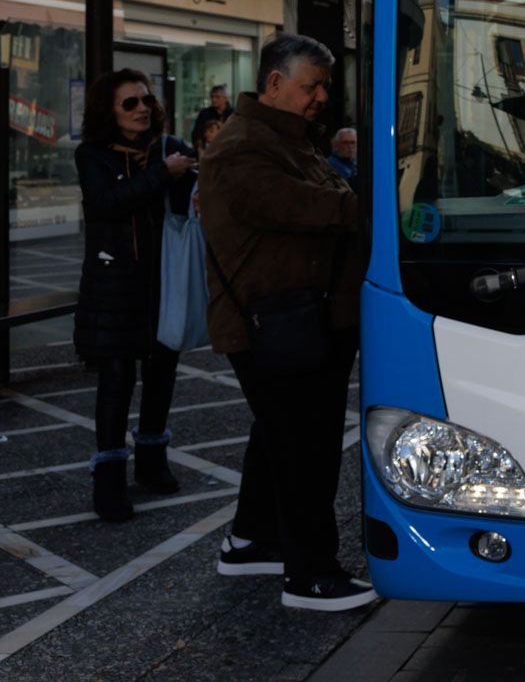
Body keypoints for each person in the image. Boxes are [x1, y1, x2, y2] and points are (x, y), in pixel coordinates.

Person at [199, 34, 373, 611]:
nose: (322, 96)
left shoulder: (287, 137)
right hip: (274, 322)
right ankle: (310, 575)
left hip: (299, 318)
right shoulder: (243, 146)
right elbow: (304, 206)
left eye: (325, 86)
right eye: (311, 85)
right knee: (305, 447)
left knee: (280, 433)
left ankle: (252, 541)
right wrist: (383, 208)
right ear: (274, 82)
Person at [74, 70, 197, 521]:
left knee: (161, 371)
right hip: (113, 282)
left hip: (163, 278)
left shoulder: (169, 147)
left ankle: (151, 460)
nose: (142, 108)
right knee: (116, 378)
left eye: (146, 100)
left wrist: (190, 181)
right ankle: (108, 478)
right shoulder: (92, 155)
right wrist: (163, 174)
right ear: (108, 111)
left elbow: (186, 205)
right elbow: (106, 204)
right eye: (130, 103)